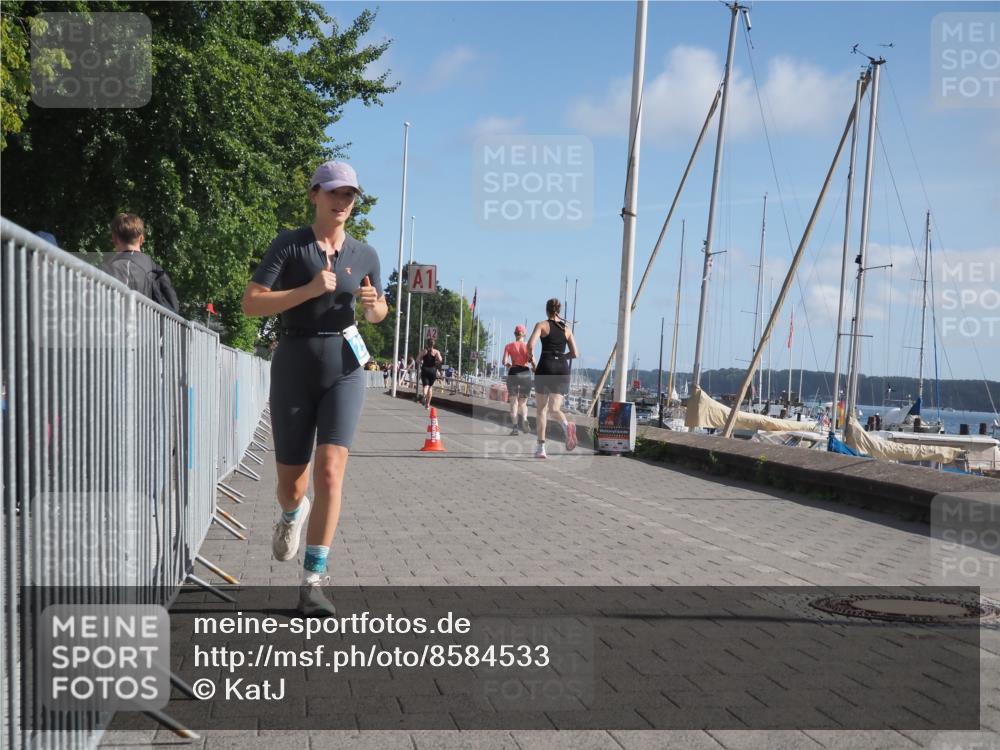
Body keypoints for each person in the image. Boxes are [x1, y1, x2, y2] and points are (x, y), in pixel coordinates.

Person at [241, 161, 388, 616]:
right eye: (334, 194)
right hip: (294, 363)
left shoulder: (365, 255)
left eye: (349, 196)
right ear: (315, 195)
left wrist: (374, 306)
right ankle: (291, 513)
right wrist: (305, 291)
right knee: (293, 483)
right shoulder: (290, 244)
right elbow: (251, 304)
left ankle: (313, 580)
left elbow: (379, 312)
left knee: (330, 472)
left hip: (345, 365)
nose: (342, 202)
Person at [526, 298, 579, 459]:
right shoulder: (567, 329)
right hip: (562, 368)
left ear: (546, 310)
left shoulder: (541, 325)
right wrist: (562, 357)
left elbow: (529, 346)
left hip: (546, 366)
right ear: (559, 311)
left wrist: (532, 360)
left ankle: (541, 448)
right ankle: (566, 425)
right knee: (554, 408)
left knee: (541, 410)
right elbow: (575, 354)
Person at [102, 213, 180, 314]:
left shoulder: (117, 268)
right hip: (152, 328)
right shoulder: (156, 269)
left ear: (115, 239)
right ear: (142, 239)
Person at [502, 324, 533, 435]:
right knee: (523, 403)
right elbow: (531, 360)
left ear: (515, 334)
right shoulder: (528, 346)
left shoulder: (509, 346)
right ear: (524, 334)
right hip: (525, 372)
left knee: (513, 403)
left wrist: (509, 365)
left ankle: (515, 428)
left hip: (514, 372)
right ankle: (524, 419)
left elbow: (504, 361)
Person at [417, 338, 443, 409]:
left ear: (427, 344)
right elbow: (440, 360)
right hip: (432, 370)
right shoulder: (436, 352)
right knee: (430, 387)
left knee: (426, 386)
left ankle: (424, 395)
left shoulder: (424, 351)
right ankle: (428, 404)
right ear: (433, 344)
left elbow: (417, 360)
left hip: (425, 369)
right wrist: (436, 362)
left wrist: (421, 362)